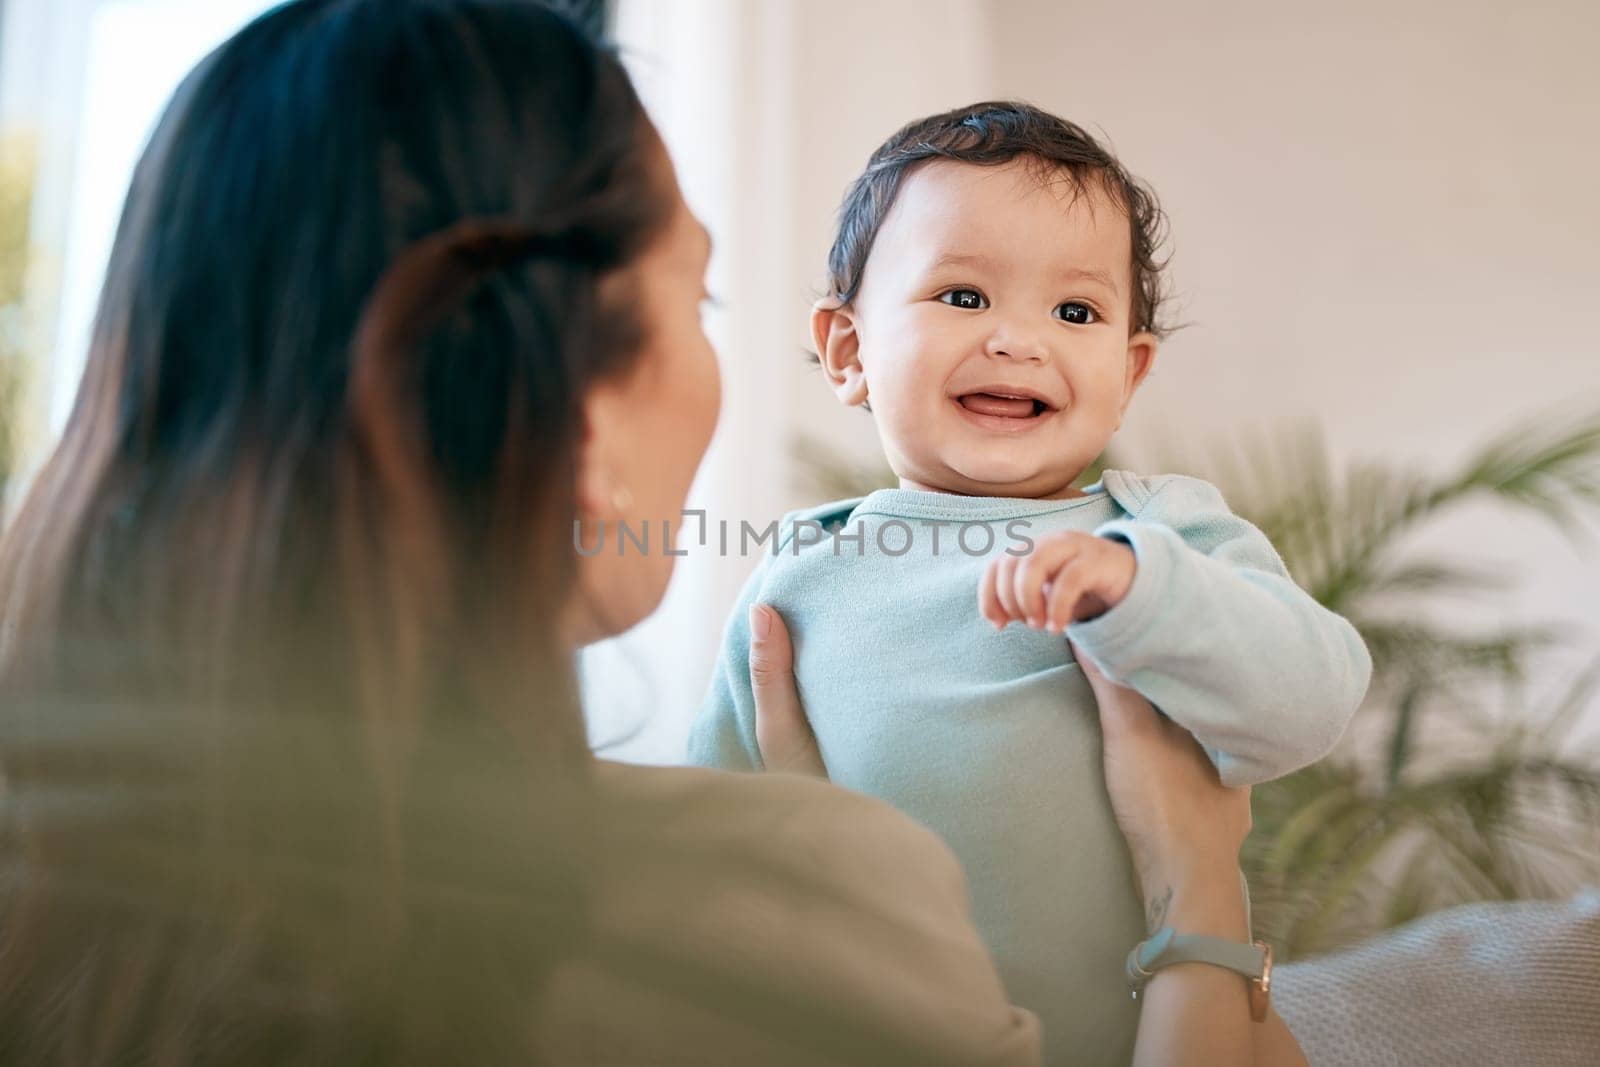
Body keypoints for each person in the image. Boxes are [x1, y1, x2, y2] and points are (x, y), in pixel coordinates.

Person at [0, 1, 1307, 1063]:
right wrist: (1198, 900)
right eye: (699, 291)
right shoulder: (766, 869)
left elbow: (1306, 680)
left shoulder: (59, 867)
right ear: (582, 407)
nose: (1018, 337)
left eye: (1076, 313)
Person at [687, 101, 1370, 1060]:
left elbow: (1316, 697)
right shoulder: (802, 573)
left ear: (1129, 372)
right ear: (848, 352)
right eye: (963, 297)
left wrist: (1142, 595)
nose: (1019, 339)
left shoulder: (1156, 530)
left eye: (1076, 311)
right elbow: (705, 840)